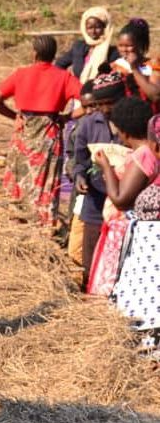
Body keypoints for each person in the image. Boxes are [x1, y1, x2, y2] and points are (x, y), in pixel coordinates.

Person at [0, 35, 82, 226]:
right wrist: (66, 116)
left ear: (34, 54)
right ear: (54, 54)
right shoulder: (63, 77)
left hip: (23, 132)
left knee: (19, 177)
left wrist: (14, 115)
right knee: (46, 181)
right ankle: (43, 224)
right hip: (49, 132)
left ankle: (17, 220)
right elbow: (90, 100)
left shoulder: (21, 74)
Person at [96, 114, 160, 358]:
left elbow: (121, 200)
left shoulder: (146, 158)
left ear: (154, 145)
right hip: (147, 265)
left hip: (152, 268)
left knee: (151, 322)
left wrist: (107, 169)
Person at [86, 97, 153, 296]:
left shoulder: (143, 155)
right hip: (121, 228)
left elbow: (121, 200)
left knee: (112, 283)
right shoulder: (145, 152)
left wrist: (106, 166)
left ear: (124, 130)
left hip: (124, 229)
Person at [72, 72, 125, 289]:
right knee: (90, 255)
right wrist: (79, 176)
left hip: (123, 200)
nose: (104, 109)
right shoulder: (87, 124)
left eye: (109, 103)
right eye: (99, 104)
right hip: (95, 198)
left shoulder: (130, 122)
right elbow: (80, 159)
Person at [64, 83, 96, 265]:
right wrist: (76, 172)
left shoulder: (105, 125)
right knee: (76, 238)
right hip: (82, 188)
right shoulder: (80, 127)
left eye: (93, 106)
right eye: (85, 107)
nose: (90, 111)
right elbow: (71, 156)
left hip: (100, 191)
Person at [55, 6, 119, 83]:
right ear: (85, 28)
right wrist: (69, 83)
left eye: (98, 27)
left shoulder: (113, 52)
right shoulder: (78, 47)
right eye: (90, 28)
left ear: (105, 28)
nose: (93, 32)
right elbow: (59, 64)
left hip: (101, 92)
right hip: (78, 92)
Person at [112, 18, 160, 112]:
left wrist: (134, 68)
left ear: (140, 44)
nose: (124, 50)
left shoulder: (153, 65)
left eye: (129, 46)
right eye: (121, 45)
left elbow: (155, 96)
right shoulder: (115, 66)